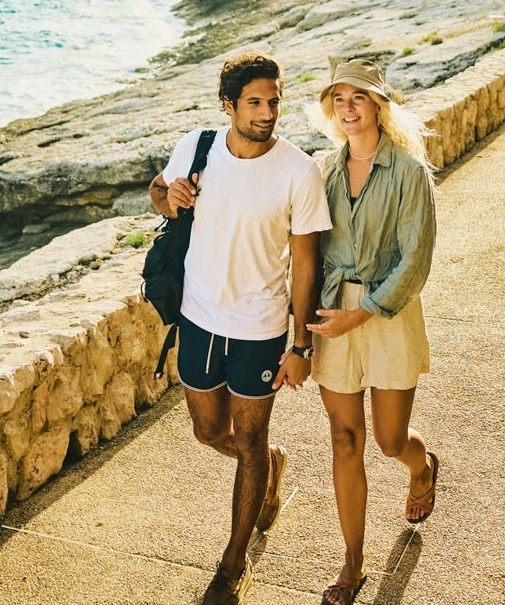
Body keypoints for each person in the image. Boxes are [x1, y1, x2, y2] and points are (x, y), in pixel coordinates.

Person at [148, 52, 332, 605]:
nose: (267, 112)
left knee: (250, 439)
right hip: (199, 318)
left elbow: (306, 265)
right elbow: (158, 192)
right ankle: (270, 465)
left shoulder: (300, 171)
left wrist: (301, 344)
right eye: (254, 102)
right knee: (208, 432)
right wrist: (170, 197)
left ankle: (232, 563)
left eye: (273, 101)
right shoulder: (197, 147)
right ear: (228, 106)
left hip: (260, 327)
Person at [306, 58, 440, 605]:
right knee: (344, 440)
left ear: (379, 106)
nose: (348, 108)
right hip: (332, 313)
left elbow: (416, 261)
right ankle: (352, 563)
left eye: (358, 98)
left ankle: (422, 466)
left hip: (387, 314)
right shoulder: (324, 172)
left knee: (387, 439)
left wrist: (361, 314)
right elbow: (303, 248)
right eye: (339, 100)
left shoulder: (409, 171)